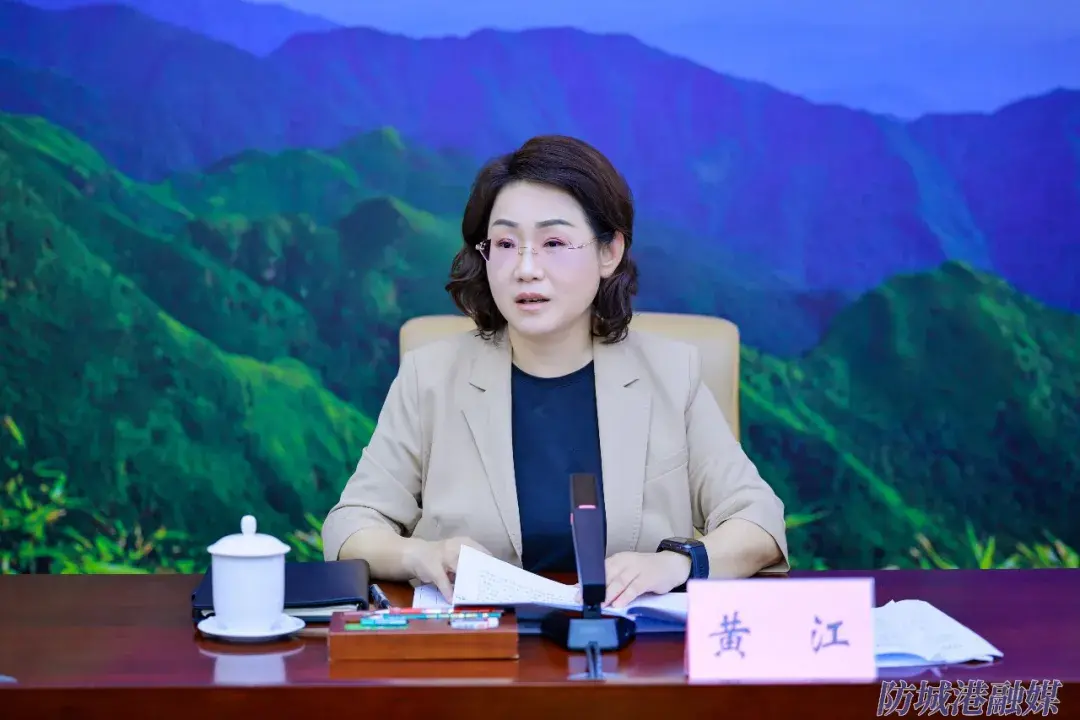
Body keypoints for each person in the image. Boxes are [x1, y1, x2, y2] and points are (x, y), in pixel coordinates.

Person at [322, 135, 789, 608]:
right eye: (506, 243)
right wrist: (419, 555)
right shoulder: (431, 377)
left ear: (609, 252)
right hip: (482, 642)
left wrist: (676, 563)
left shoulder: (671, 373)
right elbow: (350, 525)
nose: (526, 269)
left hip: (628, 642)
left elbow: (760, 522)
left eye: (553, 243)